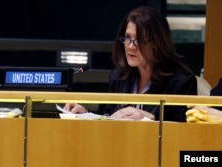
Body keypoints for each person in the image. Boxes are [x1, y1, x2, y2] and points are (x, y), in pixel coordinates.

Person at [64, 6, 197, 122]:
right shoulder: (119, 76)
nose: (130, 46)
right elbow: (110, 117)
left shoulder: (181, 82)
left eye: (139, 40)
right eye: (128, 38)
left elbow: (185, 130)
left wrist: (152, 120)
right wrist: (85, 115)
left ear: (158, 43)